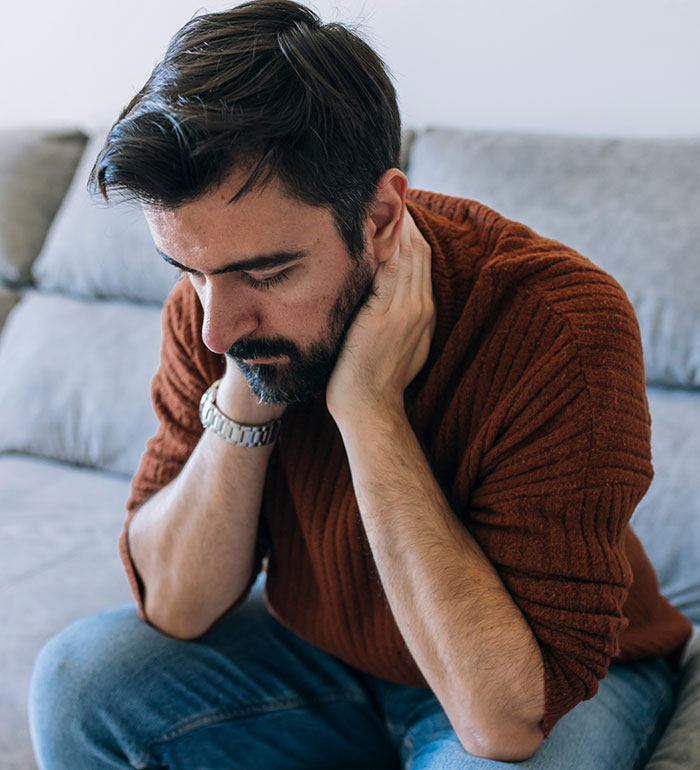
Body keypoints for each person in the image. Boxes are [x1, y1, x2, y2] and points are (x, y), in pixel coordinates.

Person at [28, 1, 692, 768]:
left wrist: (371, 410)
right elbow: (176, 605)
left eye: (267, 273)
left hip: (535, 672)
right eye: (190, 272)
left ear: (379, 219)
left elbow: (503, 723)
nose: (216, 327)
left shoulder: (559, 324)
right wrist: (248, 388)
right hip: (329, 657)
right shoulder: (218, 317)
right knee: (79, 681)